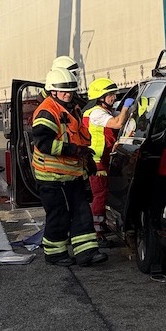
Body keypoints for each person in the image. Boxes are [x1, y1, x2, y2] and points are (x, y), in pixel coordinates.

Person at [32, 68, 107, 267]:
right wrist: (73, 150)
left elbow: (79, 138)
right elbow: (44, 143)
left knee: (82, 213)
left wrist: (86, 160)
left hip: (72, 175)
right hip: (51, 178)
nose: (68, 94)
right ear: (53, 91)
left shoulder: (72, 108)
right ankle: (55, 254)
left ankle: (87, 253)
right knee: (59, 216)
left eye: (71, 91)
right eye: (64, 91)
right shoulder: (47, 111)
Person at [82, 78, 133, 243]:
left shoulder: (104, 111)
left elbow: (122, 118)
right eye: (110, 94)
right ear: (100, 97)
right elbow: (118, 123)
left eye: (114, 94)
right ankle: (97, 233)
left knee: (104, 194)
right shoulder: (97, 114)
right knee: (100, 195)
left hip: (103, 159)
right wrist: (126, 106)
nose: (114, 97)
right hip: (96, 161)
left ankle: (101, 225)